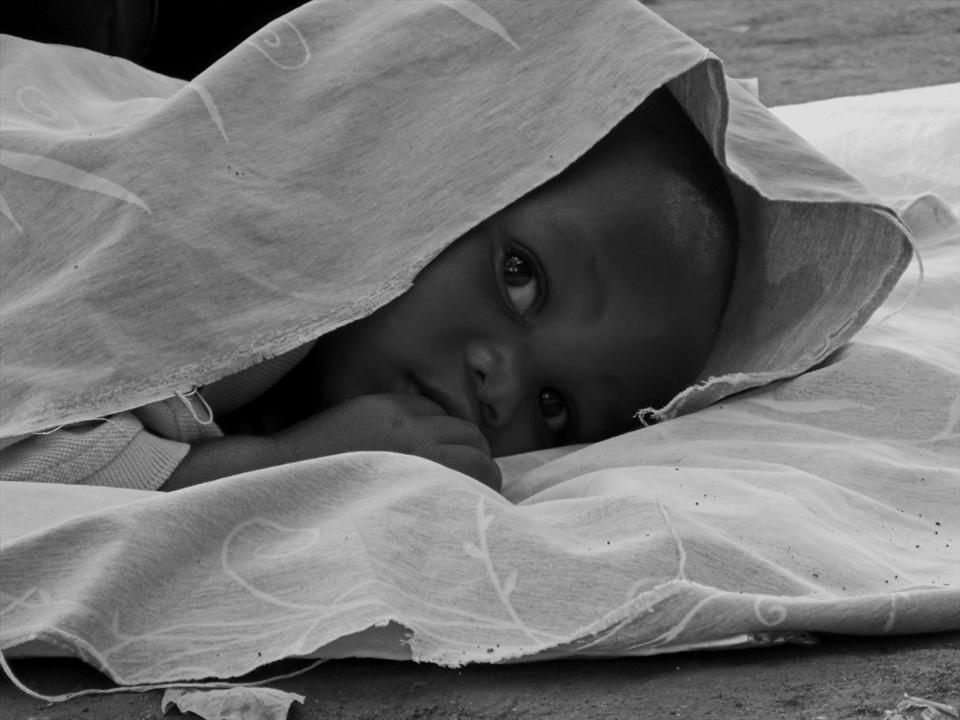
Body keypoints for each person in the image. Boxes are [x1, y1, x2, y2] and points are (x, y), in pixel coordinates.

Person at [0, 88, 737, 493]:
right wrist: (284, 464)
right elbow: (30, 442)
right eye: (520, 277)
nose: (500, 385)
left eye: (555, 408)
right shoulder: (245, 248)